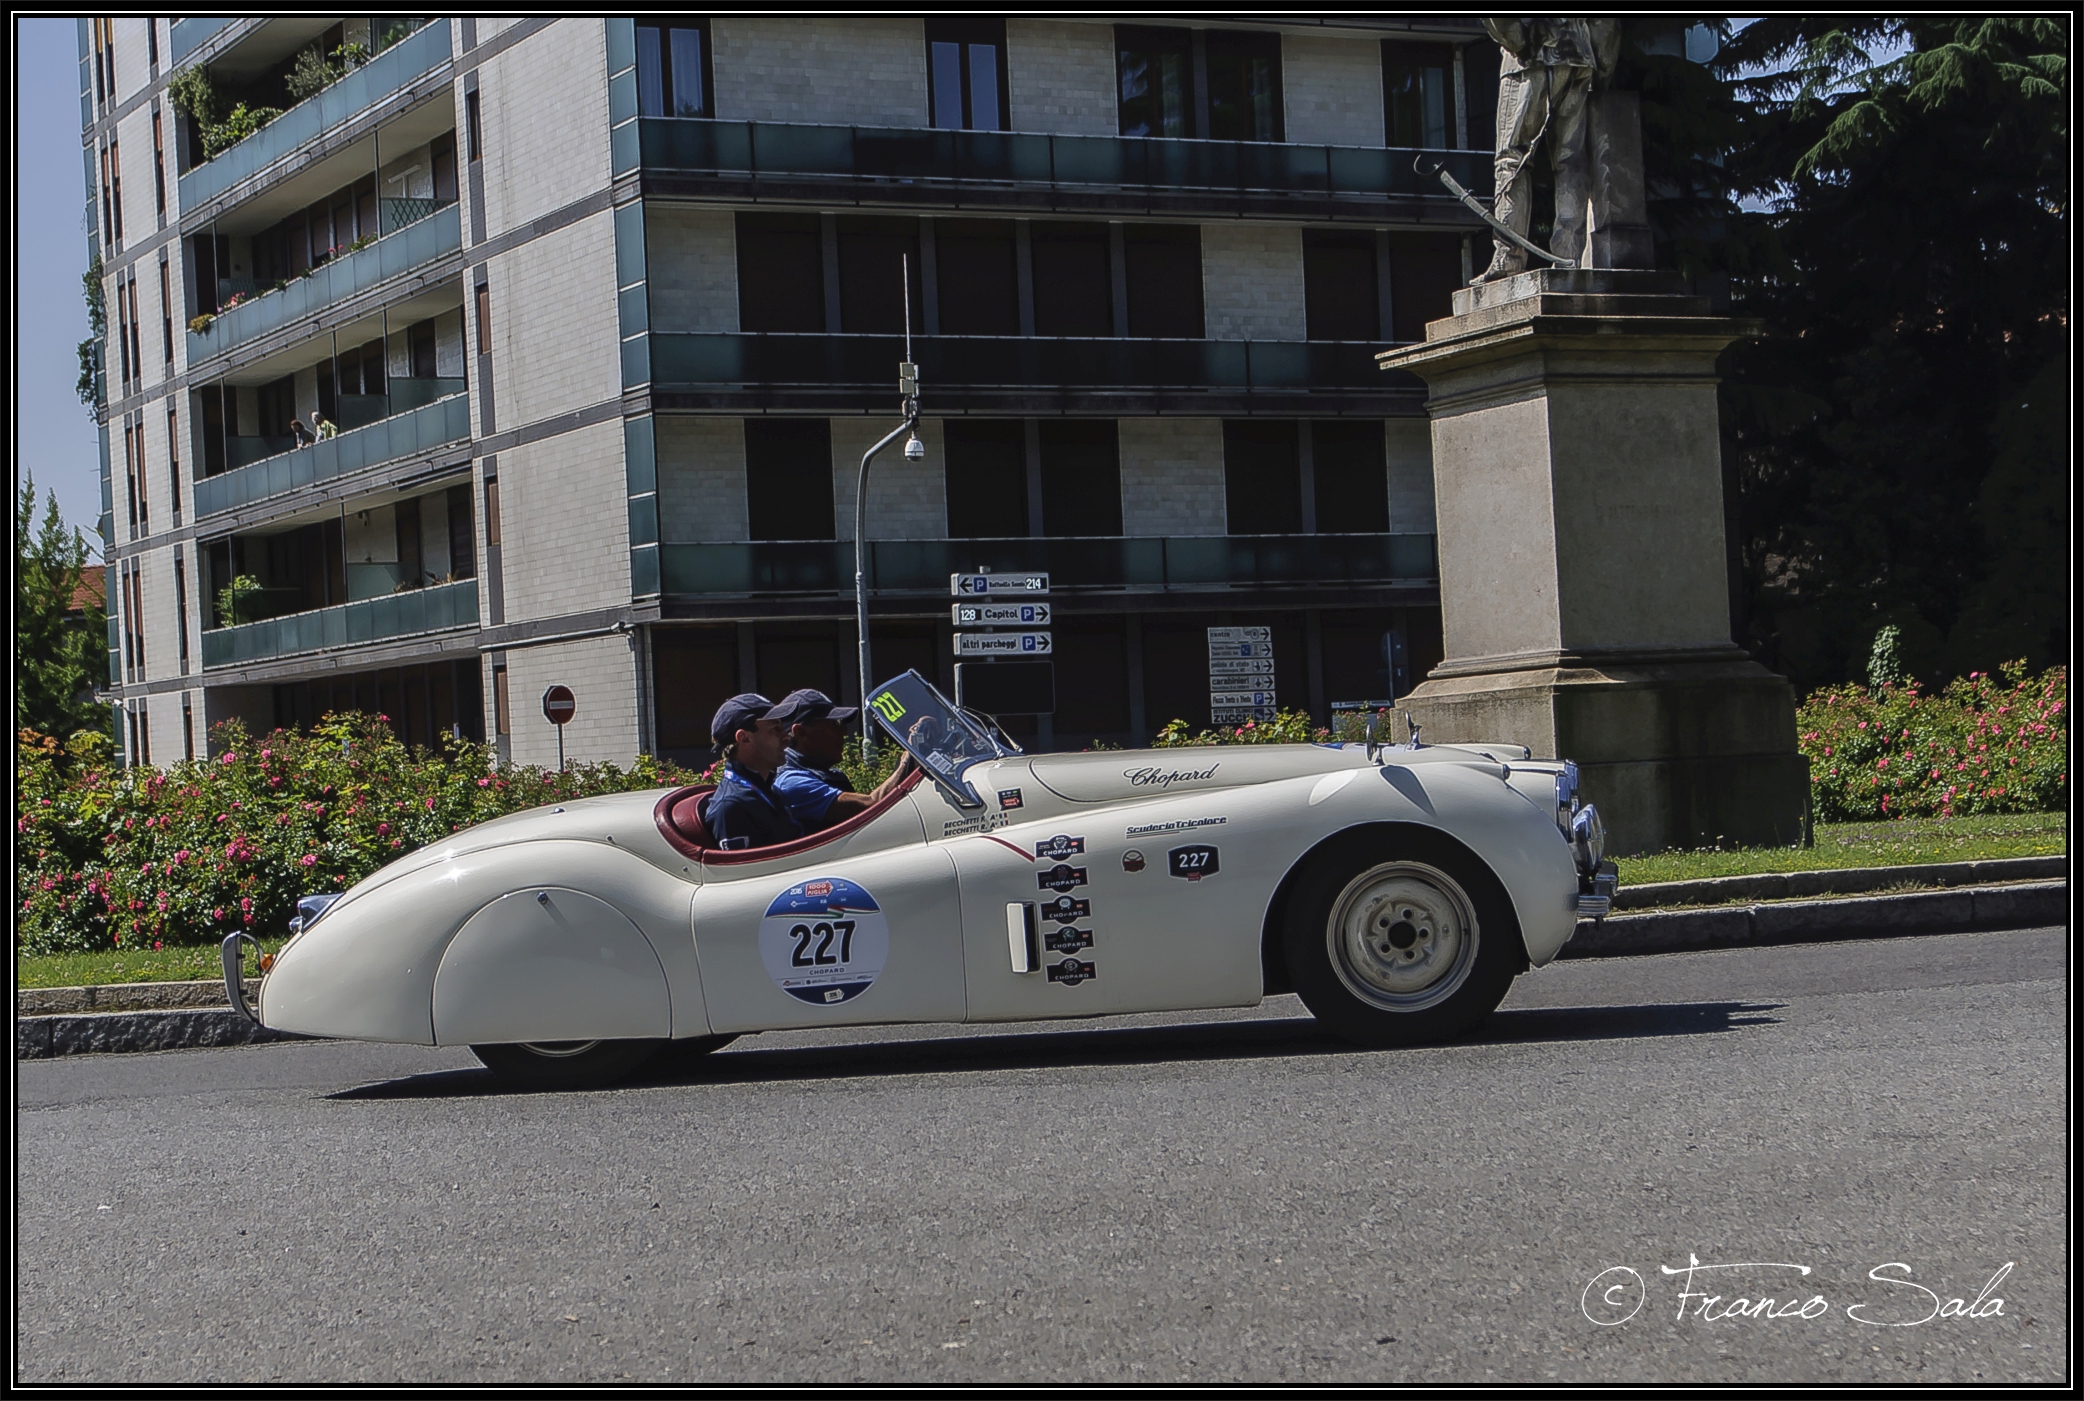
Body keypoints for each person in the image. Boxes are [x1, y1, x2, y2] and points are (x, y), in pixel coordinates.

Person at [1475, 16, 1621, 282]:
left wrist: (1518, 41)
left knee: (1511, 159)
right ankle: (1569, 256)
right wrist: (1602, 68)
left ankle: (1508, 256)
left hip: (1528, 59)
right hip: (1578, 56)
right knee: (1571, 161)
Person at [767, 689, 915, 832]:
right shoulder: (792, 783)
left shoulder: (819, 772)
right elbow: (874, 804)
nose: (844, 732)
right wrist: (910, 754)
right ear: (801, 732)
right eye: (835, 725)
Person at [698, 693, 804, 851]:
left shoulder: (768, 790)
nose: (786, 737)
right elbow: (744, 873)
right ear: (745, 739)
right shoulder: (732, 807)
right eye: (775, 729)